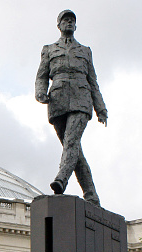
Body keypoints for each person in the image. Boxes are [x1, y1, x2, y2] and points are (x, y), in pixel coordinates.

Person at [35, 9, 107, 204]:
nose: (69, 23)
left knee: (71, 143)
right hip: (57, 101)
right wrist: (40, 92)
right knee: (74, 150)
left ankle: (61, 179)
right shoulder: (49, 49)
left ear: (76, 26)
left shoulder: (85, 51)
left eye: (72, 20)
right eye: (65, 20)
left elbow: (93, 81)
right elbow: (42, 75)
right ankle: (91, 194)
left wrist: (100, 108)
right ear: (59, 25)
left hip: (81, 101)